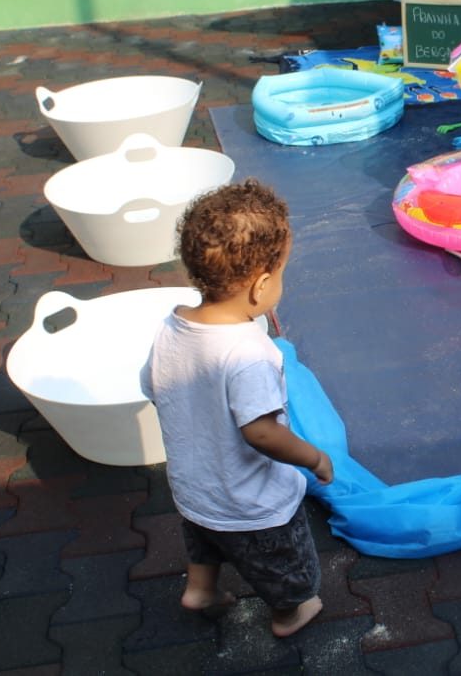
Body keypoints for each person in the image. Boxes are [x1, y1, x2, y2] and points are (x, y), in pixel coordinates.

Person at [141, 179, 333, 638]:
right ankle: (289, 614)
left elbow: (152, 384)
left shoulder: (172, 327)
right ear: (261, 284)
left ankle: (201, 590)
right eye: (281, 275)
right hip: (252, 503)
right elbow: (261, 432)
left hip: (194, 489)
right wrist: (313, 458)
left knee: (205, 540)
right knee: (285, 565)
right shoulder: (248, 352)